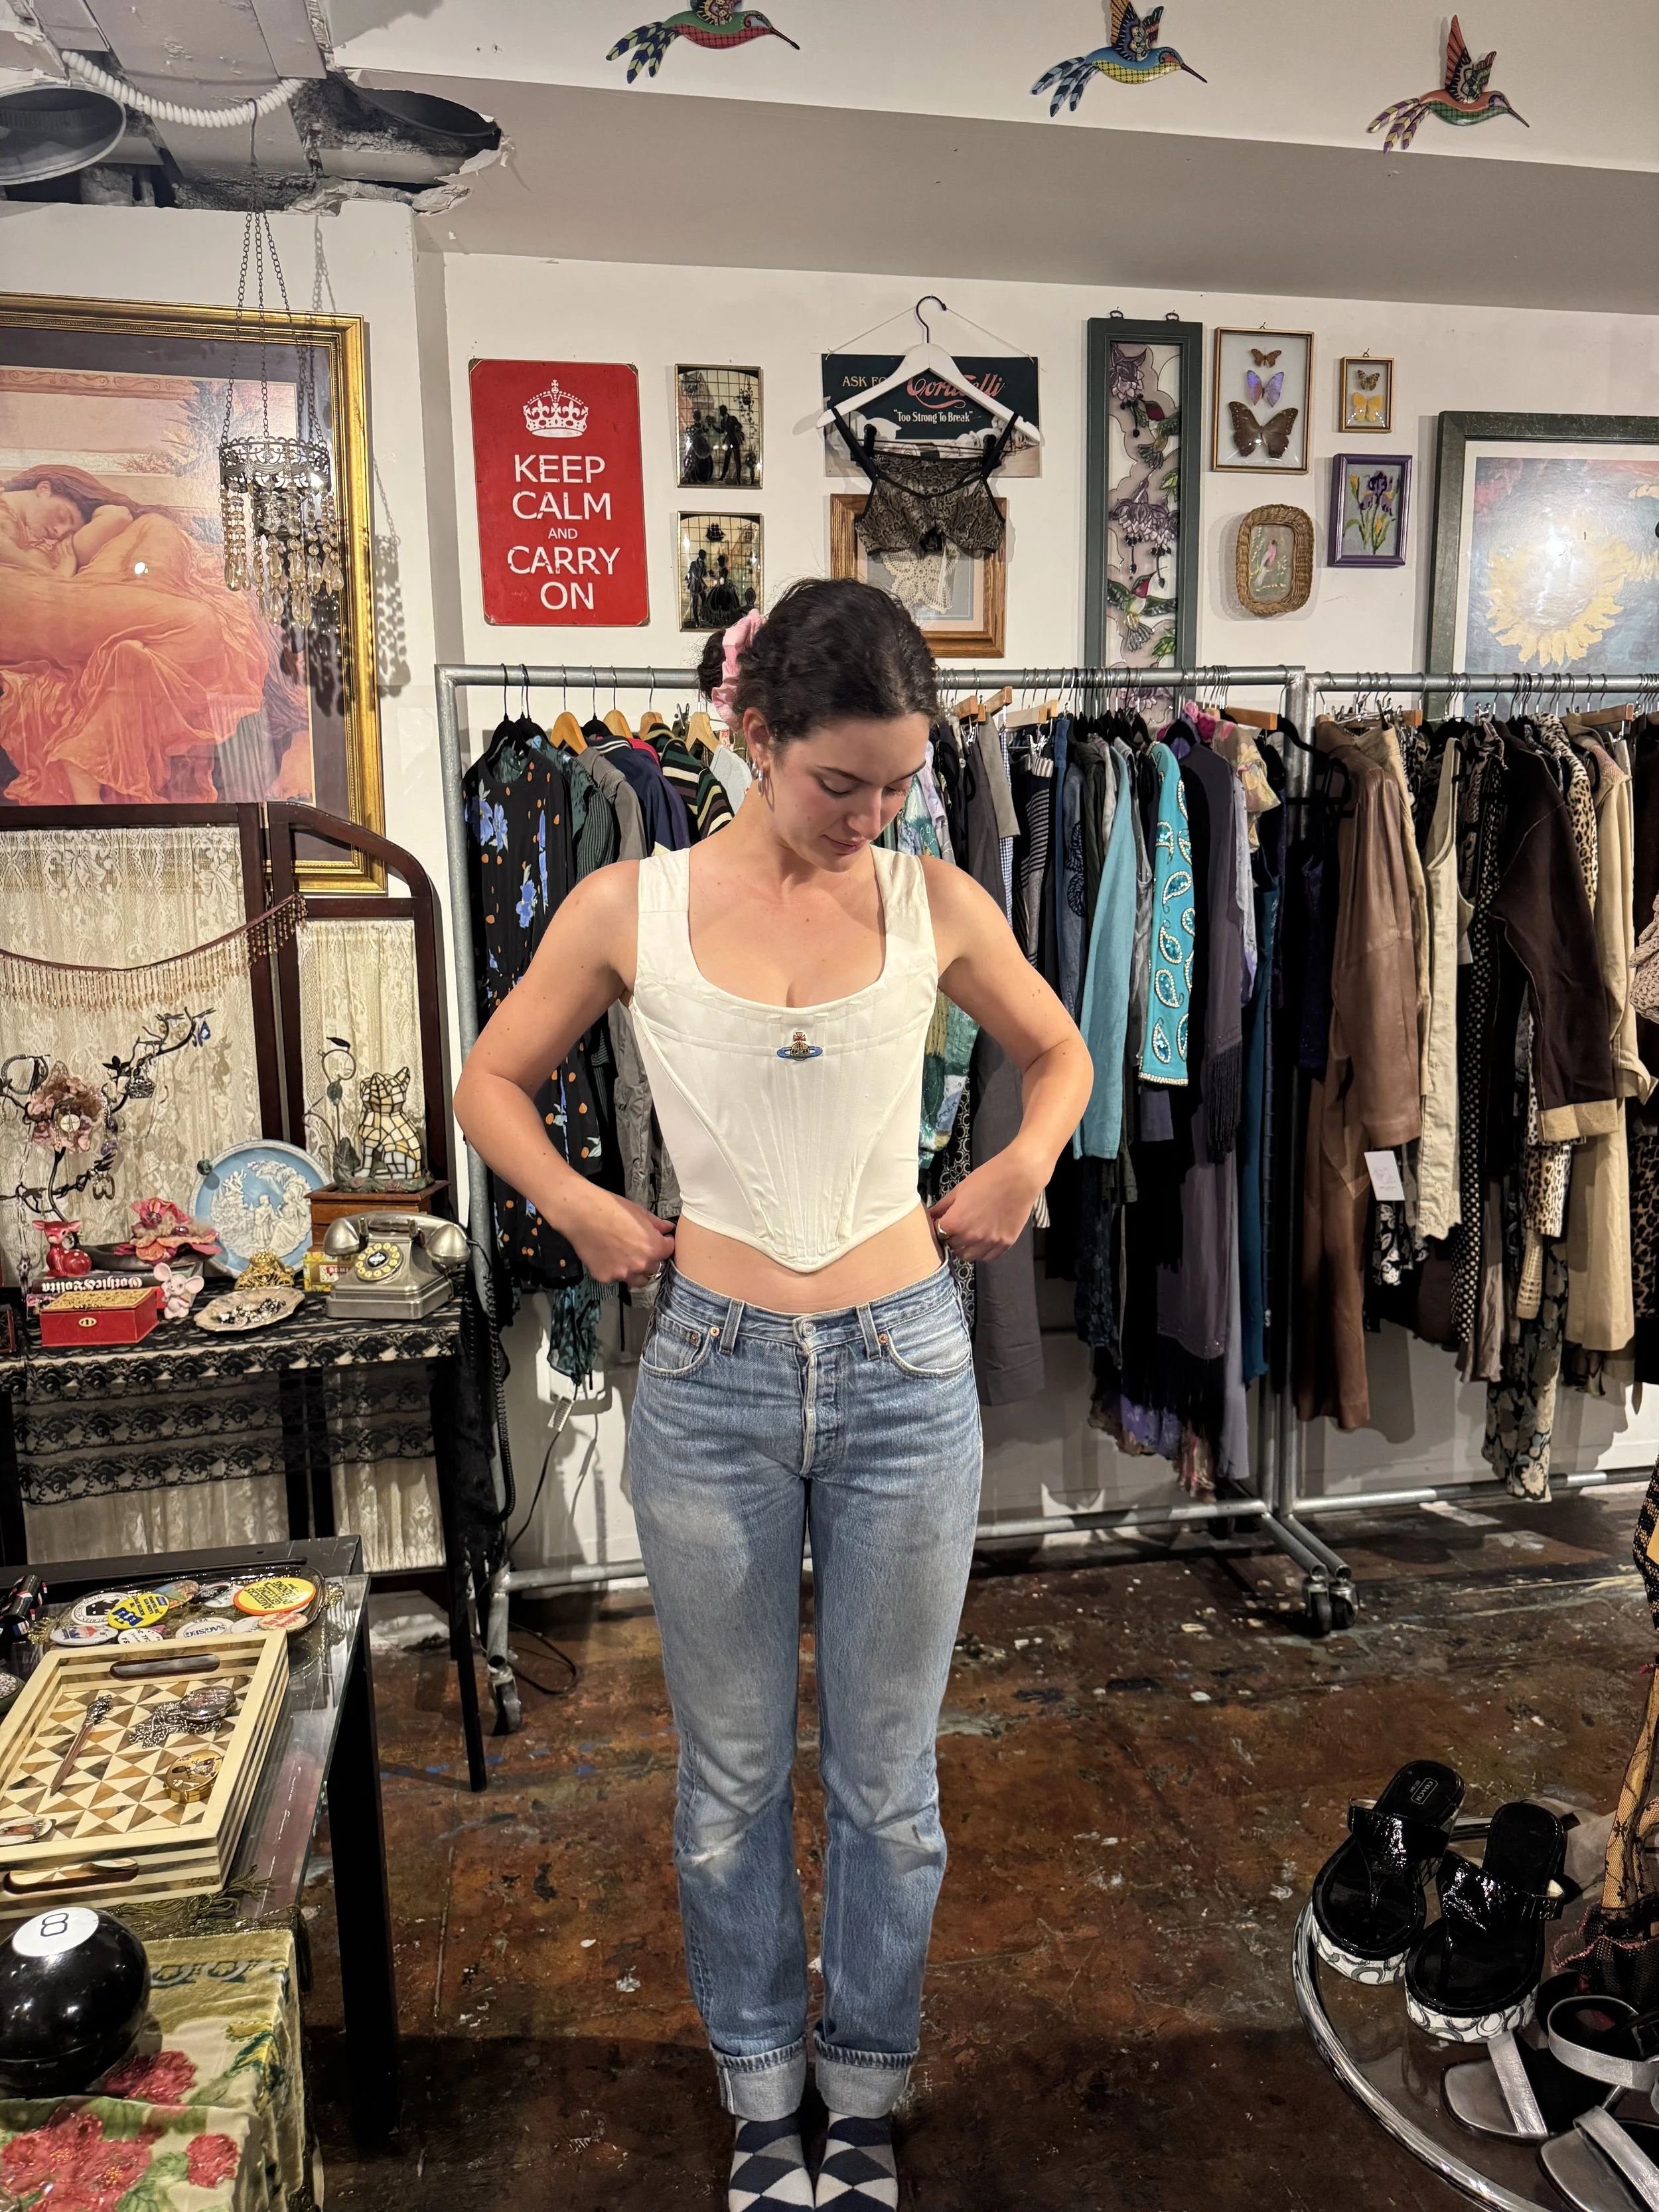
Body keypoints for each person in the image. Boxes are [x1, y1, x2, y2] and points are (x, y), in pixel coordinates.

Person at [455, 579, 1092, 2212]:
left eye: (899, 783)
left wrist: (1023, 1158)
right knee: (730, 1777)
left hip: (903, 1373)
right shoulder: (628, 903)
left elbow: (1061, 1051)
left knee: (891, 1781)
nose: (873, 814)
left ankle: (864, 2094)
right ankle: (760, 2095)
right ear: (752, 736)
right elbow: (490, 1081)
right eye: (842, 784)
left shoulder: (934, 894)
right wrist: (584, 1208)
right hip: (715, 1382)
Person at [0, 464, 280, 806]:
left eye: (66, 529)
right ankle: (88, 753)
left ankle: (87, 755)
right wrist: (63, 563)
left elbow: (114, 520)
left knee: (153, 533)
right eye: (61, 516)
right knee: (195, 622)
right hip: (21, 604)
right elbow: (48, 569)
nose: (58, 531)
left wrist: (105, 518)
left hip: (41, 603)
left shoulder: (36, 534)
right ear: (45, 487)